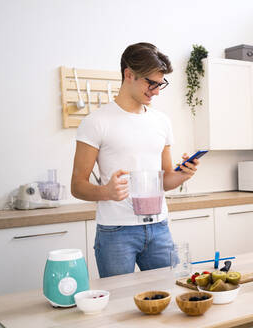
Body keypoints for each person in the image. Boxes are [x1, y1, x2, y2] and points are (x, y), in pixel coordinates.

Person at [71, 42, 199, 277]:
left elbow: (165, 180)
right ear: (129, 75)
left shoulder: (162, 121)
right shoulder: (96, 122)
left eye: (161, 84)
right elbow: (77, 185)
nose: (157, 91)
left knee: (172, 294)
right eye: (151, 83)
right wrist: (106, 192)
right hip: (116, 231)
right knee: (120, 306)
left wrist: (184, 173)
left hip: (159, 228)